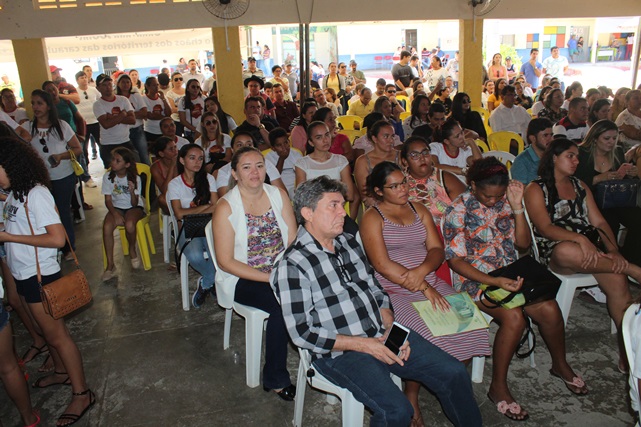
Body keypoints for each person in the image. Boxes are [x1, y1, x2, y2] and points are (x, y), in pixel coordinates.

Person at [271, 175, 483, 427]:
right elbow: (302, 333)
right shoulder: (292, 264)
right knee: (396, 410)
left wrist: (389, 322)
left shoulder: (347, 242)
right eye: (334, 205)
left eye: (342, 204)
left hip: (380, 333)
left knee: (454, 372)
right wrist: (365, 345)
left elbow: (375, 287)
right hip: (340, 353)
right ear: (308, 213)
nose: (344, 212)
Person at [444, 156, 587, 422]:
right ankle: (498, 387)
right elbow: (456, 262)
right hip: (475, 279)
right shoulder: (458, 209)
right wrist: (493, 281)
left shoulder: (505, 203)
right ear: (472, 186)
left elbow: (522, 246)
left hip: (510, 274)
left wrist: (517, 207)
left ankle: (560, 364)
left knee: (549, 308)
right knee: (513, 317)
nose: (492, 201)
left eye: (498, 196)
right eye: (487, 196)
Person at [360, 161, 490, 426]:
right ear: (379, 190)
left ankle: (439, 380)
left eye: (403, 183)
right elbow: (381, 264)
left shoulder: (418, 209)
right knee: (422, 336)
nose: (402, 189)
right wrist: (422, 285)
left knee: (472, 324)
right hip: (392, 287)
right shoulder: (372, 217)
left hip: (427, 277)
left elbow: (436, 249)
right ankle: (411, 392)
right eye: (393, 186)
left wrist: (422, 273)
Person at [0, 137, 95, 426]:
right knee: (46, 331)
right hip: (25, 274)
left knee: (58, 336)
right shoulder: (16, 192)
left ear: (11, 166)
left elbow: (57, 238)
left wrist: (7, 236)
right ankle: (60, 371)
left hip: (40, 275)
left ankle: (82, 392)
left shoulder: (36, 194)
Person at [524, 138, 639, 373]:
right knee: (569, 250)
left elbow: (598, 221)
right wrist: (579, 239)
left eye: (577, 156)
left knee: (616, 279)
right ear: (554, 158)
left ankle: (627, 349)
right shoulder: (536, 188)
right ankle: (633, 269)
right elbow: (545, 228)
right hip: (555, 251)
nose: (576, 161)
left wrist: (614, 250)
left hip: (591, 253)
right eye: (570, 156)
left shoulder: (580, 185)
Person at [213, 146, 297, 401]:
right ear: (235, 174)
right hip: (244, 277)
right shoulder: (225, 207)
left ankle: (324, 360)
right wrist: (271, 278)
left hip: (280, 269)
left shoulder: (278, 194)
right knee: (281, 304)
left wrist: (287, 271)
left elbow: (293, 241)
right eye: (246, 167)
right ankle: (275, 377)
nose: (255, 172)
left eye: (259, 165)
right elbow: (225, 261)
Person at [22, 89, 83, 261]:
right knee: (42, 214)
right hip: (39, 181)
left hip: (63, 176)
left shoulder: (61, 126)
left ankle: (68, 247)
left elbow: (77, 148)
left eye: (39, 103)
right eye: (33, 103)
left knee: (62, 211)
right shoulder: (27, 128)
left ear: (48, 106)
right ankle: (50, 248)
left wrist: (61, 156)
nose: (35, 107)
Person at [574, 120, 641, 265]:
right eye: (607, 138)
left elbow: (623, 180)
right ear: (595, 138)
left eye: (614, 138)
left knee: (638, 219)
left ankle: (630, 259)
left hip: (615, 199)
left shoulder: (617, 152)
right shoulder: (582, 154)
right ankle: (610, 260)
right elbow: (575, 182)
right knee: (609, 223)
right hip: (591, 201)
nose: (611, 142)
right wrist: (599, 178)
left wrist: (631, 173)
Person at [167, 144, 218, 308]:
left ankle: (206, 283)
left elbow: (217, 206)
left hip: (211, 226)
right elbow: (179, 214)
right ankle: (213, 281)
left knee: (217, 255)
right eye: (192, 157)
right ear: (182, 160)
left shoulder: (209, 179)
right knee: (195, 256)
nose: (197, 162)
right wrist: (204, 207)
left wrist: (191, 210)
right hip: (189, 229)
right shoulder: (175, 184)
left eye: (201, 158)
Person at [101, 147, 145, 280]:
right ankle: (110, 265)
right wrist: (115, 214)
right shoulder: (108, 177)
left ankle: (132, 248)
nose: (113, 162)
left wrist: (132, 191)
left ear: (126, 165)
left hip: (134, 207)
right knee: (107, 227)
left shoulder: (135, 178)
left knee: (130, 224)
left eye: (117, 160)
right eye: (113, 159)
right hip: (116, 208)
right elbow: (108, 200)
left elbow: (134, 203)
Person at [295, 121, 355, 206]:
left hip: (336, 209)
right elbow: (301, 196)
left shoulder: (340, 161)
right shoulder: (302, 164)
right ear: (311, 142)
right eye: (319, 137)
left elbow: (349, 195)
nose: (325, 140)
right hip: (313, 211)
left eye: (327, 135)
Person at [215, 131, 285, 197]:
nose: (245, 148)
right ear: (232, 150)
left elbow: (282, 194)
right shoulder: (223, 171)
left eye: (249, 144)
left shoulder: (266, 164)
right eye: (239, 145)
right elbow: (226, 200)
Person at [354, 120, 401, 208]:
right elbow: (366, 194)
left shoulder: (401, 156)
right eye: (386, 136)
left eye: (392, 136)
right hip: (377, 204)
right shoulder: (363, 161)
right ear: (374, 138)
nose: (391, 140)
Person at [93, 73, 136, 166]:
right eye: (104, 85)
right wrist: (122, 115)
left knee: (132, 168)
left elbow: (132, 120)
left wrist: (112, 118)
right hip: (108, 144)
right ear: (98, 88)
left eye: (109, 84)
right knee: (113, 173)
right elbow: (106, 125)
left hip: (125, 141)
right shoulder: (98, 104)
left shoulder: (123, 100)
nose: (108, 87)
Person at [116, 73, 149, 165]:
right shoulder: (116, 99)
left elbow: (144, 112)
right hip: (123, 131)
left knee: (143, 154)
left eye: (128, 82)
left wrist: (125, 116)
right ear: (118, 84)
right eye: (123, 82)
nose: (126, 84)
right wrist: (132, 115)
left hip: (137, 129)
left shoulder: (136, 96)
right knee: (131, 157)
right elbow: (115, 117)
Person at [511, 118, 554, 185]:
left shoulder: (554, 156)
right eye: (545, 135)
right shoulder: (521, 162)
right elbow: (520, 191)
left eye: (551, 135)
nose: (550, 139)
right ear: (533, 138)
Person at [265, 127, 302, 198]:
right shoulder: (268, 158)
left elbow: (301, 174)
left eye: (286, 143)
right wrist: (281, 159)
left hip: (295, 187)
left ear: (289, 142)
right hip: (278, 188)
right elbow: (273, 176)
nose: (284, 147)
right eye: (279, 145)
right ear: (273, 148)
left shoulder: (296, 154)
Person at [74, 71, 101, 163]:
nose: (84, 79)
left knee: (101, 144)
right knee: (84, 148)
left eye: (85, 77)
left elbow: (100, 100)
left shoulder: (93, 90)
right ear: (77, 80)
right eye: (81, 78)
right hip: (83, 124)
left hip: (96, 122)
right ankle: (86, 168)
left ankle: (107, 164)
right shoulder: (75, 92)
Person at [150, 136, 178, 214]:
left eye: (175, 147)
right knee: (162, 199)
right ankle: (178, 217)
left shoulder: (182, 161)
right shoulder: (155, 168)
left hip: (184, 192)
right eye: (170, 149)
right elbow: (165, 191)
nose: (175, 151)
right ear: (161, 154)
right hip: (170, 196)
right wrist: (172, 167)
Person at [142, 76, 172, 148]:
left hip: (163, 131)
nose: (156, 87)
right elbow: (150, 116)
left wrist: (163, 99)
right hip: (150, 131)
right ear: (147, 86)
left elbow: (169, 113)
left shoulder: (162, 97)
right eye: (154, 85)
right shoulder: (143, 99)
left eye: (157, 85)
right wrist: (164, 117)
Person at [165, 72, 186, 136]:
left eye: (180, 79)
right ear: (172, 81)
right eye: (176, 79)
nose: (179, 81)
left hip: (187, 120)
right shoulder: (169, 93)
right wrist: (185, 110)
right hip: (176, 120)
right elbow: (173, 109)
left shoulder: (187, 91)